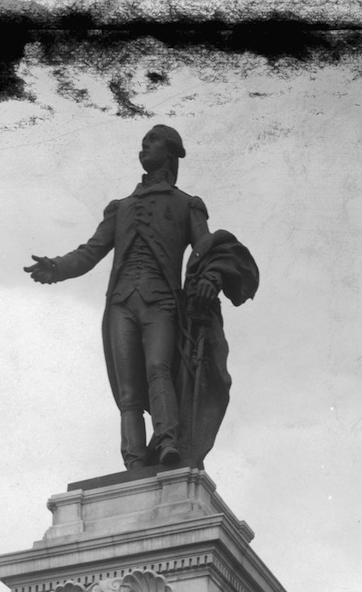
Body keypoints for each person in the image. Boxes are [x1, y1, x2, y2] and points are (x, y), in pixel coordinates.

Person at [24, 124, 256, 472]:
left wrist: (212, 275)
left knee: (157, 369)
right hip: (121, 304)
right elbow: (90, 252)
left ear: (171, 152)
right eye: (142, 144)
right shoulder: (120, 207)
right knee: (128, 392)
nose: (143, 148)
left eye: (151, 142)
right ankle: (133, 461)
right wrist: (56, 267)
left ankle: (167, 443)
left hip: (161, 302)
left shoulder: (186, 205)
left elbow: (207, 247)